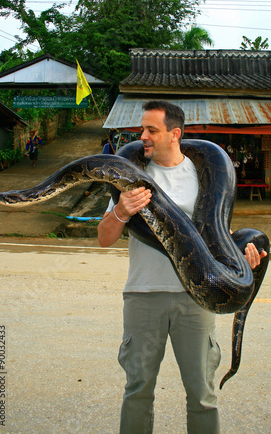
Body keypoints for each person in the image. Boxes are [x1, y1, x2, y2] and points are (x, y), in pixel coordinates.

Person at [98, 100, 266, 434]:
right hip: (144, 294)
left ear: (175, 134)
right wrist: (121, 211)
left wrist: (241, 259)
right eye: (141, 130)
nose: (141, 137)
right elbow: (104, 238)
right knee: (137, 392)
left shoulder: (204, 175)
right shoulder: (130, 177)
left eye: (151, 131)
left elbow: (215, 236)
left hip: (198, 299)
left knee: (202, 395)